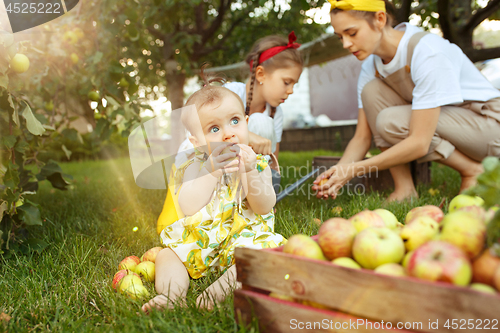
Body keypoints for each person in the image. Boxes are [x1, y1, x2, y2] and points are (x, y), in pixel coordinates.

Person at [313, 0, 500, 202]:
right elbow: (362, 138)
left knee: (390, 121)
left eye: (352, 33)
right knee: (372, 91)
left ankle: (472, 170)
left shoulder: (427, 51)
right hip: (452, 125)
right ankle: (404, 189)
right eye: (340, 36)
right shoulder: (371, 66)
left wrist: (355, 169)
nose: (346, 44)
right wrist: (338, 172)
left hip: (489, 128)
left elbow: (419, 142)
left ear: (379, 19)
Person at [142, 70, 286, 313]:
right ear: (196, 142)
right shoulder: (193, 165)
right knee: (168, 255)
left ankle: (217, 293)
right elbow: (188, 206)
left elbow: (264, 206)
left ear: (247, 124)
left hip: (244, 240)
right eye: (214, 128)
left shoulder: (257, 162)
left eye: (235, 121)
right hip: (201, 243)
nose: (229, 133)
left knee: (266, 256)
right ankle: (171, 295)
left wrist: (249, 171)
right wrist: (210, 172)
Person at [176, 32, 303, 175]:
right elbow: (203, 131)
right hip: (204, 162)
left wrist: (272, 182)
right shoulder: (229, 94)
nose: (291, 90)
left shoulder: (276, 113)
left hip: (241, 168)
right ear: (261, 74)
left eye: (294, 84)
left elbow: (273, 157)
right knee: (260, 121)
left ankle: (249, 187)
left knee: (263, 122)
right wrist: (249, 135)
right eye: (286, 82)